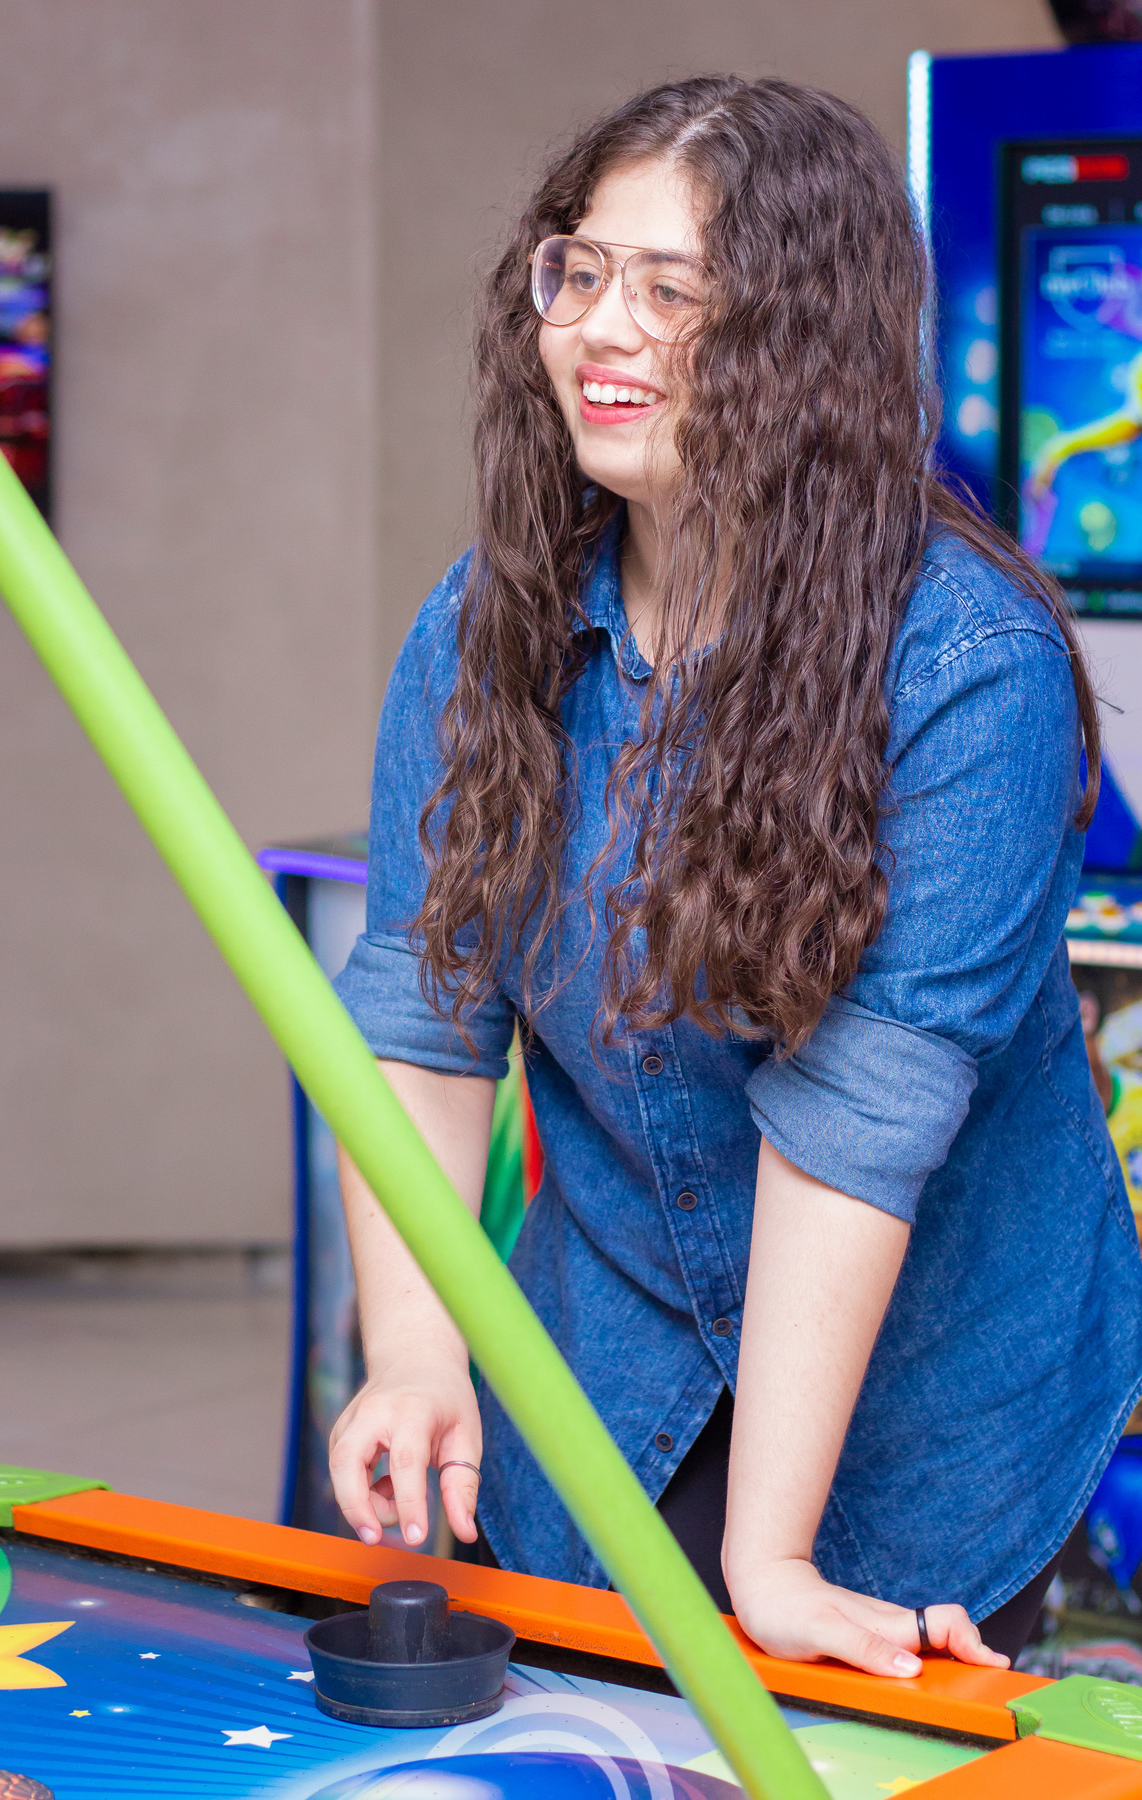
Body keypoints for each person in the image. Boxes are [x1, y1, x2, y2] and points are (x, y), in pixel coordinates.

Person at [329, 75, 1142, 1677]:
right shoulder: (479, 630)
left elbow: (860, 1123)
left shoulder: (967, 667)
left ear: (802, 338)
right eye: (581, 272)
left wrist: (766, 1555)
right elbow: (426, 1018)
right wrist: (419, 1348)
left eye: (673, 290)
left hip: (933, 1392)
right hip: (606, 1355)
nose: (600, 330)